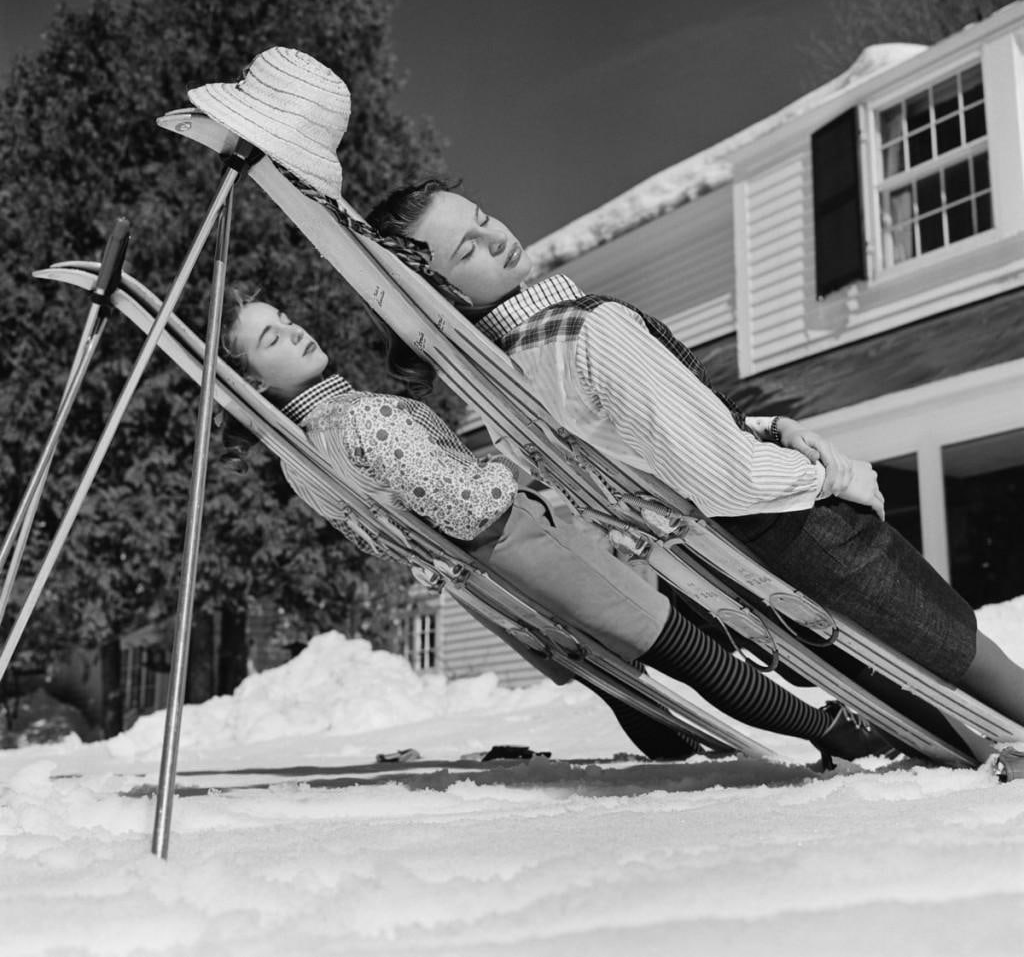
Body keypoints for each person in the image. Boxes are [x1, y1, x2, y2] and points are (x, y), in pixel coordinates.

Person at [365, 180, 1024, 728]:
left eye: (483, 218)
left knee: (908, 690)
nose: (498, 238)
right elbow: (724, 474)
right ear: (443, 293)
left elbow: (646, 446)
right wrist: (831, 475)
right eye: (468, 249)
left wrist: (767, 424)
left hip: (725, 564)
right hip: (787, 526)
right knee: (958, 650)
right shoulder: (587, 331)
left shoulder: (508, 379)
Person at [219, 293, 890, 765]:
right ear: (254, 381)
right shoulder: (362, 419)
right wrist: (512, 466)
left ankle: (681, 751)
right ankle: (831, 729)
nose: (296, 330)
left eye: (284, 318)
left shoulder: (302, 458)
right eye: (271, 338)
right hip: (514, 541)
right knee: (679, 642)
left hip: (484, 579)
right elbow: (467, 506)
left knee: (613, 661)